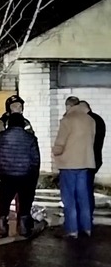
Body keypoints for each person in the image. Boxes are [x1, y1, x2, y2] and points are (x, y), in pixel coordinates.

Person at [0, 113, 40, 237]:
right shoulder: (30, 138)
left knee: (4, 203)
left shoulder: (1, 137)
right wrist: (34, 176)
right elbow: (35, 160)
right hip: (26, 177)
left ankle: (1, 227)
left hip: (7, 176)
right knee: (25, 204)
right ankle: (23, 228)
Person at [53, 96, 96, 238]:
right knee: (84, 197)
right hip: (85, 163)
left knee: (69, 198)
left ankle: (72, 230)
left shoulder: (67, 120)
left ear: (68, 106)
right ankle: (87, 227)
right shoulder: (90, 120)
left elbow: (60, 142)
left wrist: (56, 152)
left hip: (69, 164)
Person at [81, 101, 106, 216]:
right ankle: (88, 214)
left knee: (84, 189)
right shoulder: (98, 119)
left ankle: (86, 215)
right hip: (96, 158)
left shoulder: (88, 120)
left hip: (87, 159)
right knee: (88, 187)